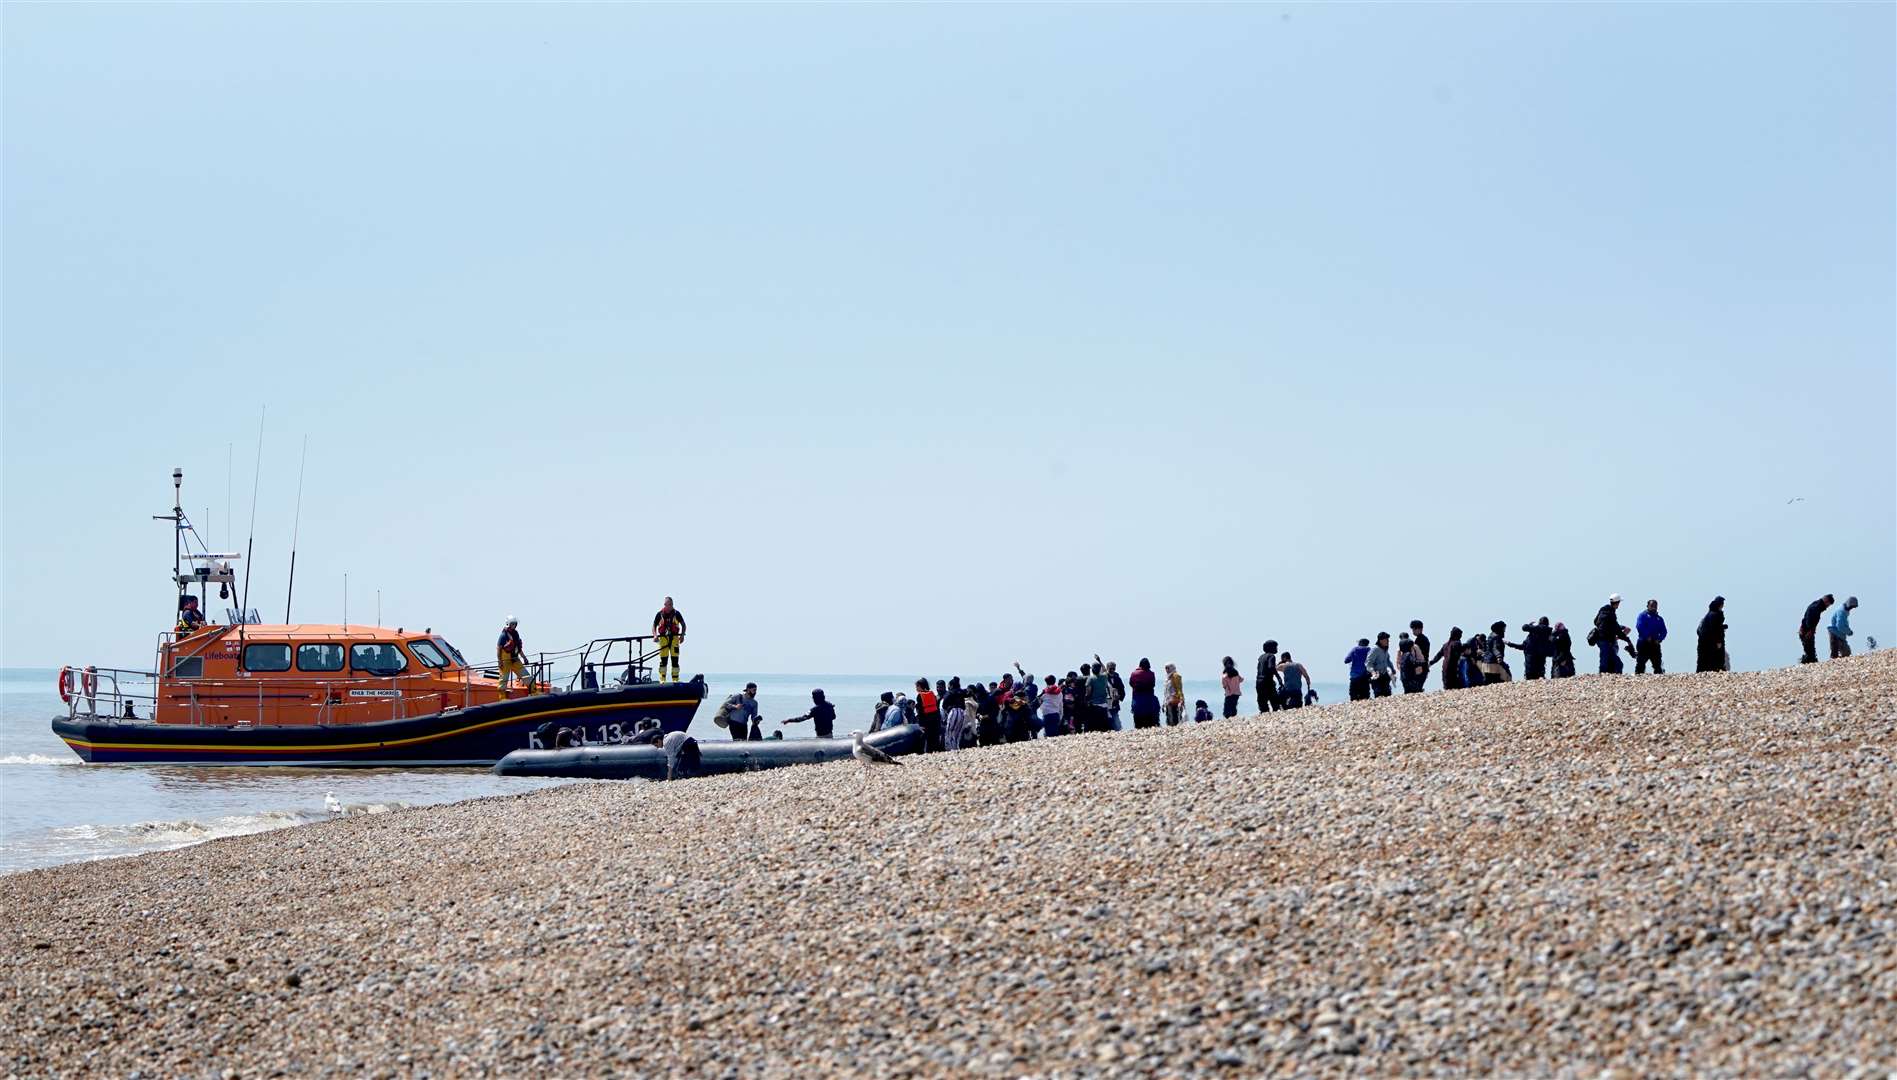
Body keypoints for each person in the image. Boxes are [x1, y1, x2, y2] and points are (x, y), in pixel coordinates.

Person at [651, 597, 686, 683]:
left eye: (671, 604)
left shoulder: (677, 614)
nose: (670, 606)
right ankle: (662, 680)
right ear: (665, 605)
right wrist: (655, 635)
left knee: (675, 660)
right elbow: (654, 625)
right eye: (668, 604)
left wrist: (682, 635)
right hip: (663, 639)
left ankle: (675, 680)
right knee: (663, 660)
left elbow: (683, 625)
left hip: (674, 639)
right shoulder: (659, 614)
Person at [1592, 595, 1631, 674]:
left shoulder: (1603, 610)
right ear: (1617, 603)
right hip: (1606, 640)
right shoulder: (1611, 614)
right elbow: (1616, 628)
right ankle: (1604, 676)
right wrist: (1626, 639)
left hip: (1599, 639)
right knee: (1614, 663)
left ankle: (1602, 676)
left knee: (1605, 659)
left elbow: (1595, 622)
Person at [496, 617, 530, 695]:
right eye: (512, 624)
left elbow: (518, 648)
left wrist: (524, 658)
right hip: (505, 660)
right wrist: (500, 661)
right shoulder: (503, 636)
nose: (514, 625)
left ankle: (534, 692)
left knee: (526, 676)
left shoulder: (516, 634)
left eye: (515, 624)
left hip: (515, 659)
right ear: (508, 624)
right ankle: (502, 697)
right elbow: (498, 649)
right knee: (503, 680)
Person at [1634, 599, 1667, 675]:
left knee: (1657, 664)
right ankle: (1638, 678)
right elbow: (1639, 626)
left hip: (1655, 643)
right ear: (1648, 606)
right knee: (1641, 663)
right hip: (1644, 643)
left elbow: (1664, 631)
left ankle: (1658, 678)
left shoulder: (1659, 618)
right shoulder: (1642, 615)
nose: (1653, 608)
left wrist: (1659, 639)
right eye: (1652, 606)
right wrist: (1647, 636)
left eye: (1655, 606)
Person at [1696, 597, 1729, 672]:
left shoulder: (1709, 614)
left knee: (1703, 660)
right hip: (1711, 641)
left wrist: (1722, 626)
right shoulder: (1715, 614)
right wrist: (1718, 641)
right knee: (1715, 657)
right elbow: (1715, 629)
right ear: (1720, 605)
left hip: (1703, 640)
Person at [1799, 594, 1834, 664]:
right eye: (1828, 604)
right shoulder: (1816, 607)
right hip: (1806, 632)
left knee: (1810, 651)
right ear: (1826, 600)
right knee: (1810, 653)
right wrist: (1810, 630)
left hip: (1806, 631)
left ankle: (1807, 664)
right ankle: (1806, 665)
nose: (1827, 607)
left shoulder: (1817, 605)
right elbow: (1809, 620)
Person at [1128, 659, 1161, 728]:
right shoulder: (1151, 674)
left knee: (1139, 724)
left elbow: (1131, 683)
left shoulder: (1134, 674)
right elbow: (1153, 684)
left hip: (1137, 701)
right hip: (1149, 702)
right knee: (1150, 724)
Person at [1097, 657, 1126, 731]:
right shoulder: (1104, 677)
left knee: (1117, 724)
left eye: (1114, 668)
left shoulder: (1117, 678)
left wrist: (1119, 696)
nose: (1112, 670)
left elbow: (1122, 689)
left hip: (1115, 704)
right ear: (1108, 668)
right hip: (1105, 704)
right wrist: (1099, 661)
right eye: (1111, 669)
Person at [914, 678, 942, 751]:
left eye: (917, 686)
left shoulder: (920, 696)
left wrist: (920, 724)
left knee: (927, 738)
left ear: (920, 686)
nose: (916, 688)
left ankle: (926, 751)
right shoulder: (932, 694)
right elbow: (936, 707)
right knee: (934, 737)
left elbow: (920, 711)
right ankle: (935, 751)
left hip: (926, 719)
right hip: (935, 718)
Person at [1086, 663, 1113, 733]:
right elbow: (1105, 670)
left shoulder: (1090, 679)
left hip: (1094, 704)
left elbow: (1088, 692)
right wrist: (1099, 660)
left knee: (1095, 725)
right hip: (1104, 703)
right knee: (1104, 725)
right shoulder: (1104, 677)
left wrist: (1087, 699)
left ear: (1092, 669)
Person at [1255, 641, 1281, 712]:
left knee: (1262, 701)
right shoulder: (1271, 656)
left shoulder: (1261, 657)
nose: (1277, 649)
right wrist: (1278, 677)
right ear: (1271, 648)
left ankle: (1264, 714)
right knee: (1274, 700)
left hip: (1259, 681)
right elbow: (1271, 667)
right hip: (1267, 681)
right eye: (1275, 647)